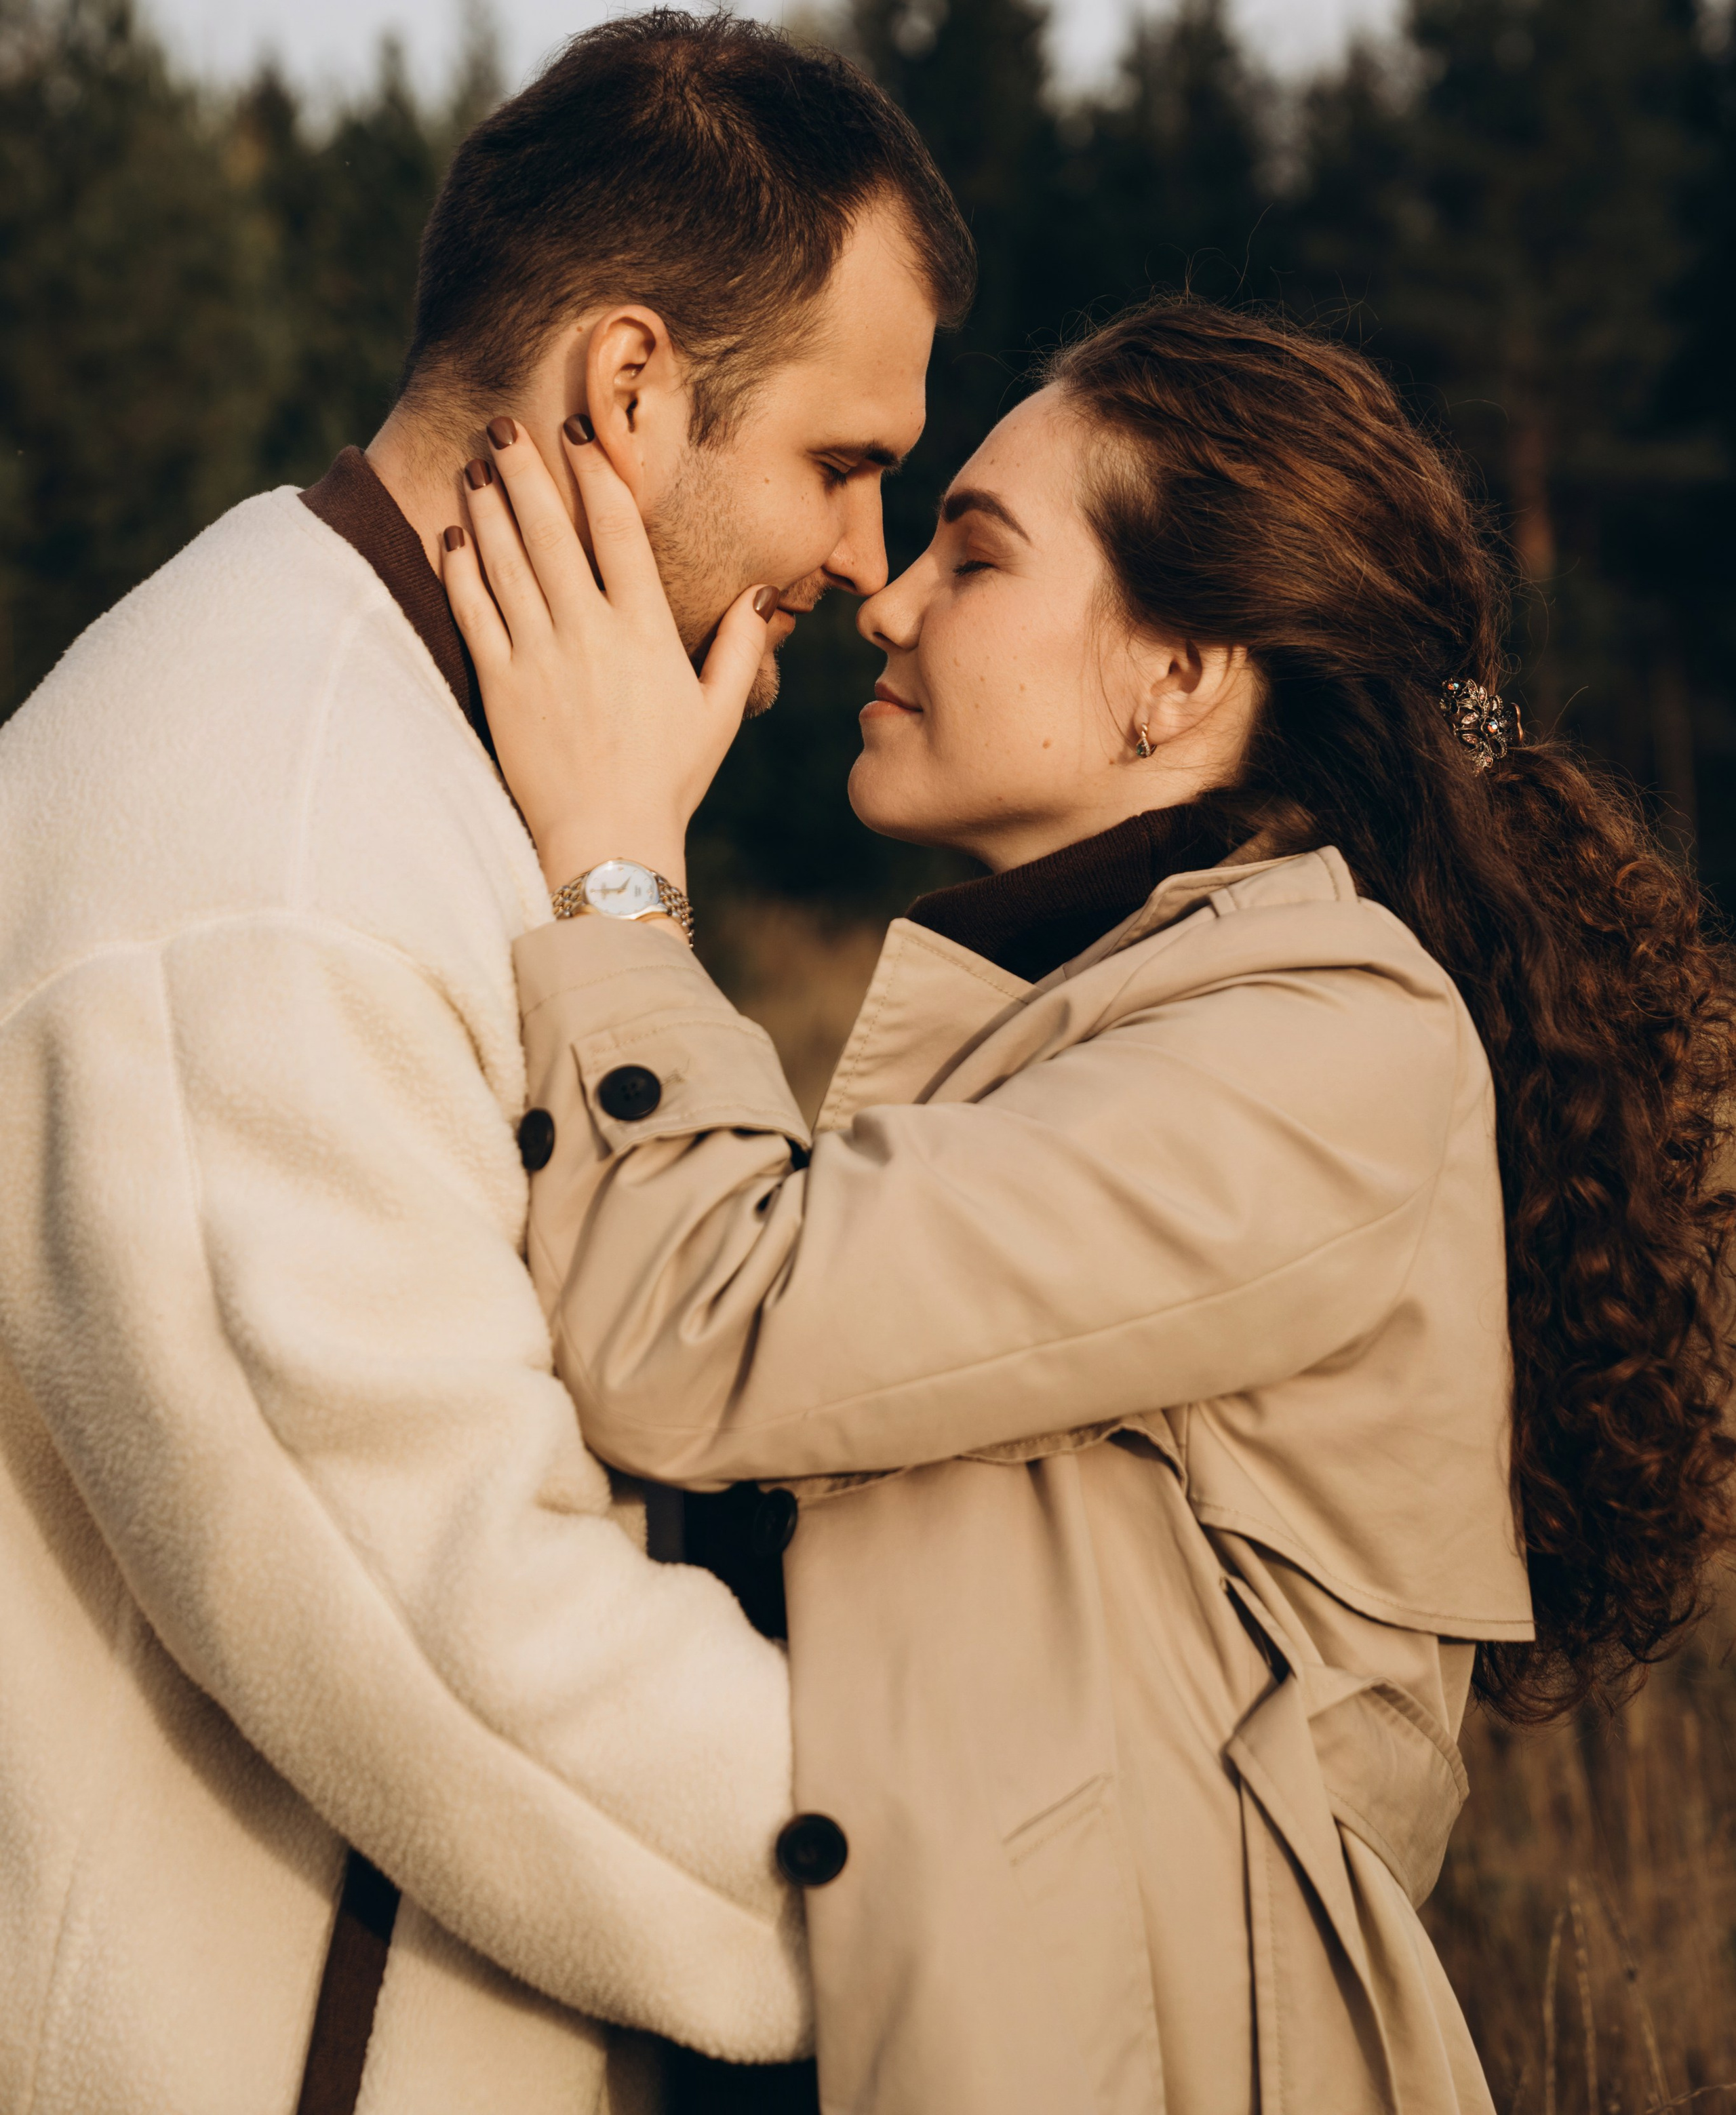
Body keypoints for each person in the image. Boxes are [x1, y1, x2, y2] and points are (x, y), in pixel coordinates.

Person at [448, 296, 1735, 2115]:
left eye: (974, 556)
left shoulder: (1327, 1041)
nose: (886, 599)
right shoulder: (1086, 1029)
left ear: (1180, 676)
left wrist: (616, 870)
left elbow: (700, 1334)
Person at [0, 9, 972, 2115]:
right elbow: (448, 1628)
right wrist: (983, 1898)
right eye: (842, 461)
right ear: (631, 389)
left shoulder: (409, 752)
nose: (868, 563)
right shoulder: (266, 834)